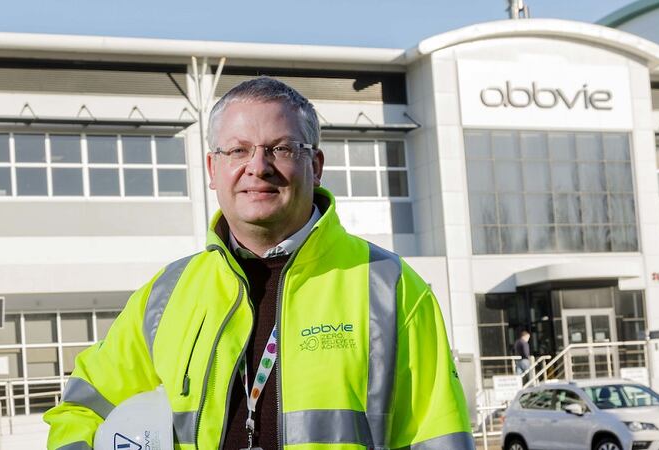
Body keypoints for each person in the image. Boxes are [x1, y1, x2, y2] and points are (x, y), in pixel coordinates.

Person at [44, 77, 473, 450]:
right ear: (213, 168)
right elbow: (81, 410)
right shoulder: (166, 294)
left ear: (316, 165)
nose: (258, 167)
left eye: (281, 148)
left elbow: (439, 437)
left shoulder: (391, 288)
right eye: (238, 150)